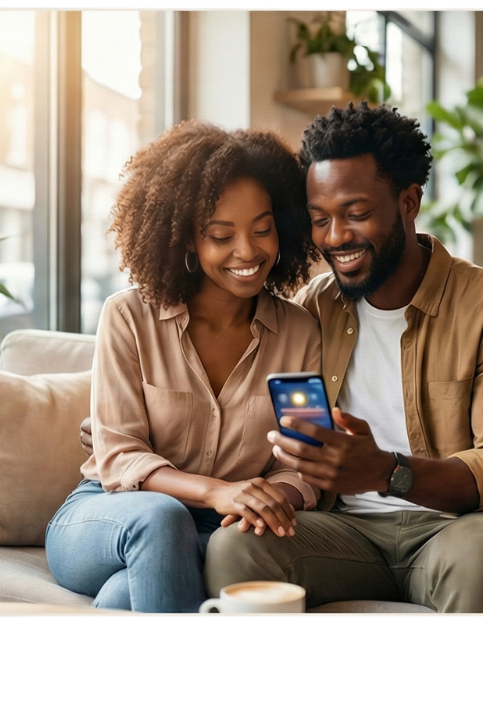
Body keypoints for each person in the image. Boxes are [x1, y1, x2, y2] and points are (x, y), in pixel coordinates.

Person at [203, 102, 483, 612]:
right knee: (236, 545)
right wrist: (134, 426)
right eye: (320, 220)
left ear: (409, 201)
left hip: (460, 530)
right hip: (343, 532)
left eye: (356, 214)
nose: (335, 238)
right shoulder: (312, 306)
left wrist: (387, 472)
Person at [45, 120, 323, 613]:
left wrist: (271, 496)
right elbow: (119, 456)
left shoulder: (299, 333)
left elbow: (300, 461)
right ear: (187, 239)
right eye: (222, 235)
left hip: (222, 532)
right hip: (107, 516)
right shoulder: (129, 317)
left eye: (263, 229)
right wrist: (219, 492)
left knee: (121, 598)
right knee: (161, 519)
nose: (248, 251)